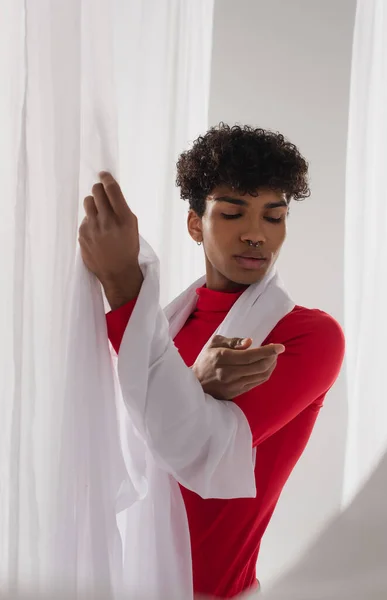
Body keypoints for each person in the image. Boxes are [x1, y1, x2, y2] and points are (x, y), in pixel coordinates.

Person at [79, 123, 345, 598]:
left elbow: (198, 446)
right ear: (195, 223)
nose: (255, 235)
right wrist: (193, 382)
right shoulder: (157, 329)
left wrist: (123, 284)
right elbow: (108, 450)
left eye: (274, 217)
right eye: (232, 213)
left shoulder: (306, 337)